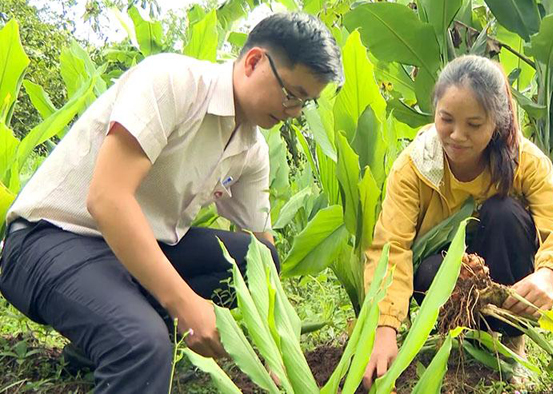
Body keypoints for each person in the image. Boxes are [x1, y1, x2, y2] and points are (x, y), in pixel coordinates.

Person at [0, 12, 342, 393]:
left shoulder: (252, 149)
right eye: (291, 94)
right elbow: (107, 198)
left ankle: (97, 341)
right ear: (254, 61)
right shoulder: (172, 83)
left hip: (135, 249)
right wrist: (186, 305)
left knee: (257, 258)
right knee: (141, 345)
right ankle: (130, 337)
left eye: (305, 103)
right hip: (51, 240)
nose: (294, 112)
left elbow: (263, 251)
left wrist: (276, 346)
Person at [362, 55, 553, 389]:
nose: (457, 135)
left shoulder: (525, 160)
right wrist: (385, 327)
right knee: (434, 270)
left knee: (504, 213)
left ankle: (508, 344)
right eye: (446, 119)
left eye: (474, 125)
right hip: (440, 279)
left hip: (505, 285)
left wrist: (549, 276)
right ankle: (456, 341)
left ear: (496, 124)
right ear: (434, 112)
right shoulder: (416, 166)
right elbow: (391, 247)